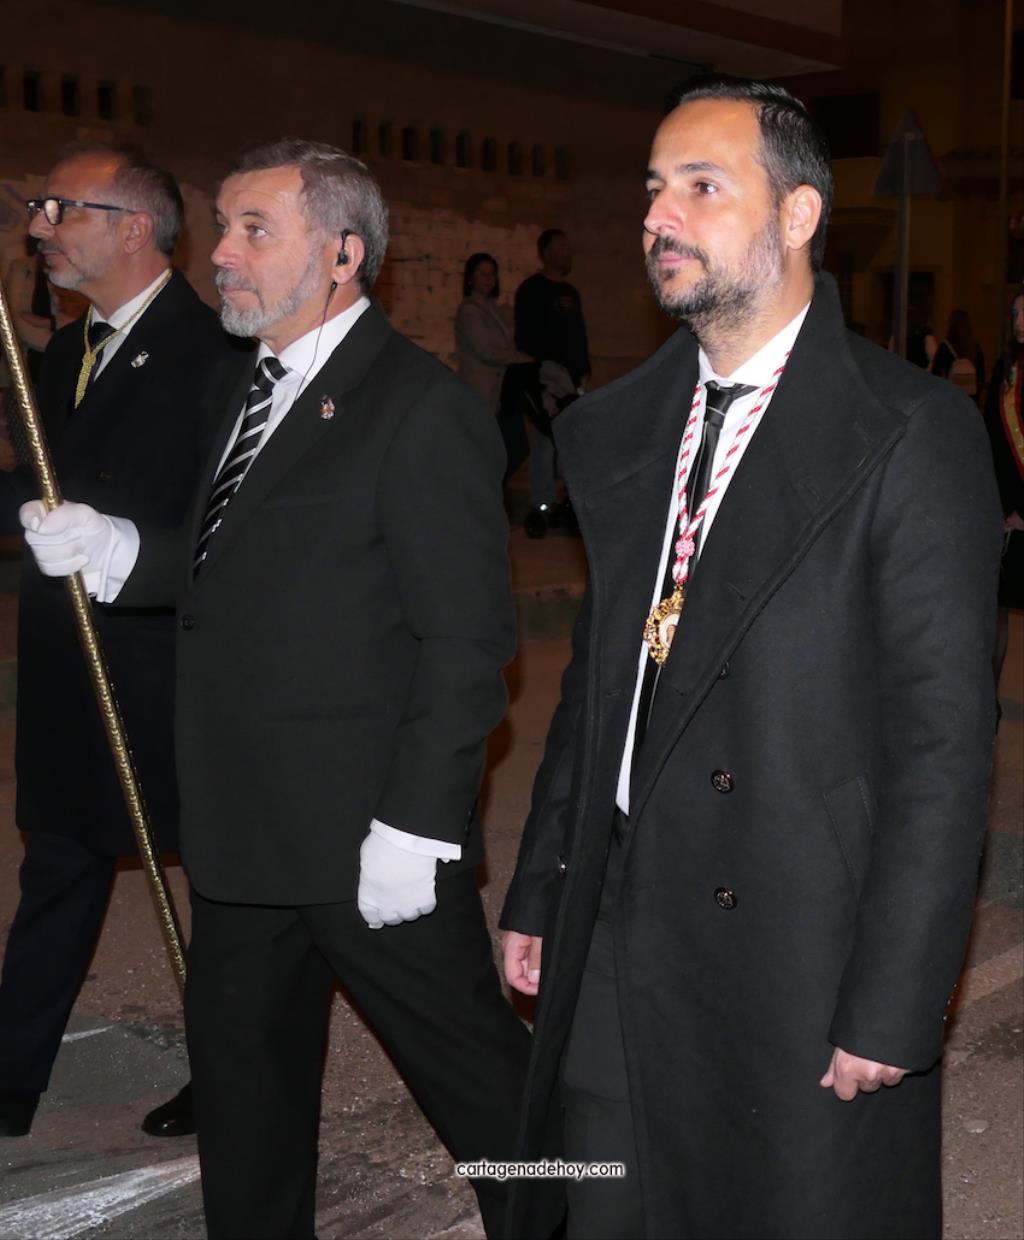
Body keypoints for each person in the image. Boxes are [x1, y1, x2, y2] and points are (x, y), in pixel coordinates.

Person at [501, 76, 1002, 1240]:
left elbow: (941, 745)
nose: (657, 216)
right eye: (653, 188)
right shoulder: (627, 427)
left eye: (701, 186)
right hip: (619, 914)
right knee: (599, 1208)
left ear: (797, 214)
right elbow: (602, 685)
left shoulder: (906, 430)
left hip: (793, 941)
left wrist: (896, 997)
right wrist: (544, 882)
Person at [19, 139, 530, 1240]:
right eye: (224, 227)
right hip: (242, 832)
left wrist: (418, 824)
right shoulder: (249, 387)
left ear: (343, 254)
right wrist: (118, 549)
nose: (222, 255)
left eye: (256, 230)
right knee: (246, 1105)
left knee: (492, 1104)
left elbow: (466, 642)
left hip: (366, 840)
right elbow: (231, 564)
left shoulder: (418, 407)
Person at [0, 143, 235, 1140]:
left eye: (62, 208)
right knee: (58, 859)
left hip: (165, 664)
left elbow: (226, 524)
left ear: (135, 227)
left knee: (222, 882)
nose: (39, 226)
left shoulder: (217, 349)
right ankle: (10, 1075)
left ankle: (233, 1074)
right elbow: (48, 482)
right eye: (38, 207)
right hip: (71, 662)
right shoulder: (67, 352)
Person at [514, 229, 590, 537]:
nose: (567, 252)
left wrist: (583, 370)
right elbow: (525, 335)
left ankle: (571, 503)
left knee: (573, 440)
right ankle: (543, 504)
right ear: (545, 252)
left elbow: (579, 334)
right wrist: (542, 370)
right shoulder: (532, 289)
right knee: (546, 439)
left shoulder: (571, 292)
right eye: (561, 247)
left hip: (573, 377)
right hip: (547, 374)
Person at [455, 251, 531, 475]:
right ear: (470, 278)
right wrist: (519, 358)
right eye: (483, 273)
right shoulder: (469, 311)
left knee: (513, 448)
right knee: (492, 451)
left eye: (492, 274)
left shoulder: (491, 309)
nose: (489, 279)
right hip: (482, 393)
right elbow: (486, 351)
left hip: (500, 394)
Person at [984, 286, 1024, 685]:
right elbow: (994, 439)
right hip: (1005, 510)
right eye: (1015, 314)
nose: (1019, 322)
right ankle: (989, 705)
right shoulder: (1006, 368)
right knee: (997, 602)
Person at [930, 308, 986, 402]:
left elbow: (936, 374)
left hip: (951, 398)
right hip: (971, 399)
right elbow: (981, 375)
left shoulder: (945, 346)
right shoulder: (975, 347)